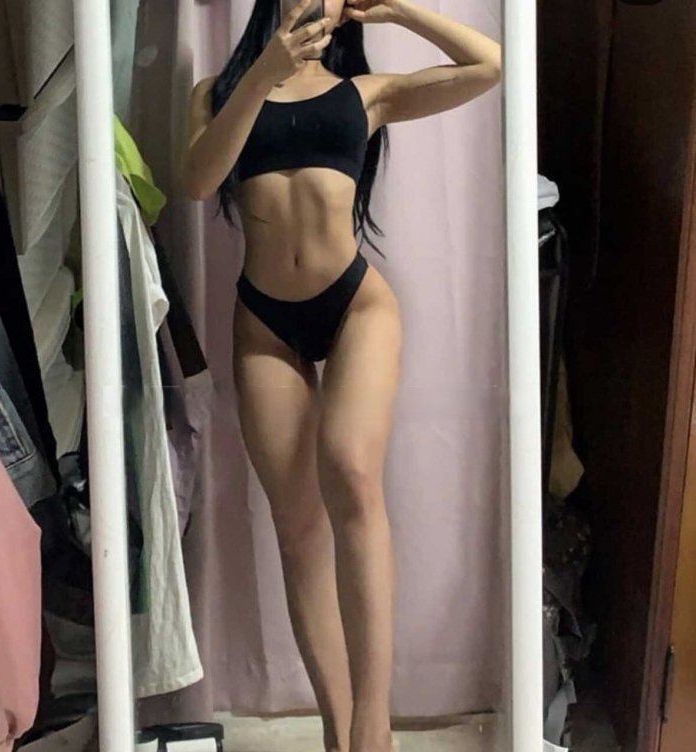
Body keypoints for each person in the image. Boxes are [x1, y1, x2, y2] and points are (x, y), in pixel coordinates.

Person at [183, 2, 501, 750]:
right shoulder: (216, 91)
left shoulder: (367, 92)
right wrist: (262, 75)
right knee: (297, 527)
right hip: (265, 322)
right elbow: (198, 182)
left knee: (351, 470)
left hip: (355, 305)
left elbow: (488, 66)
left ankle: (372, 724)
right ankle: (338, 727)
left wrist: (396, 9)